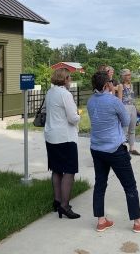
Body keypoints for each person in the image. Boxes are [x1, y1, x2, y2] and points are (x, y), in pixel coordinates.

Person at [87, 70, 140, 233]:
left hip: (97, 148)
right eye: (111, 82)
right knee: (130, 185)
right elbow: (125, 120)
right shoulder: (113, 101)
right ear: (107, 85)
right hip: (114, 148)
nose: (113, 84)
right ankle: (138, 222)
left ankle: (101, 220)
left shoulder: (90, 102)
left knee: (100, 184)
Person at [43, 68, 81, 219]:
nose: (70, 79)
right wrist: (79, 116)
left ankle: (57, 201)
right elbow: (72, 118)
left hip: (51, 135)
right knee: (69, 170)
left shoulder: (50, 92)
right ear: (65, 78)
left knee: (57, 169)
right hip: (65, 136)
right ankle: (65, 205)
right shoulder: (66, 94)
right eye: (69, 77)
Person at [118, 69, 140, 156]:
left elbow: (133, 97)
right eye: (128, 75)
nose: (130, 76)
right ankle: (122, 148)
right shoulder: (121, 86)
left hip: (132, 107)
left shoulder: (131, 85)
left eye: (130, 74)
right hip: (125, 107)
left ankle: (132, 148)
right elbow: (120, 100)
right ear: (123, 76)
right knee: (124, 129)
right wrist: (121, 112)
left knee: (132, 129)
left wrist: (136, 108)